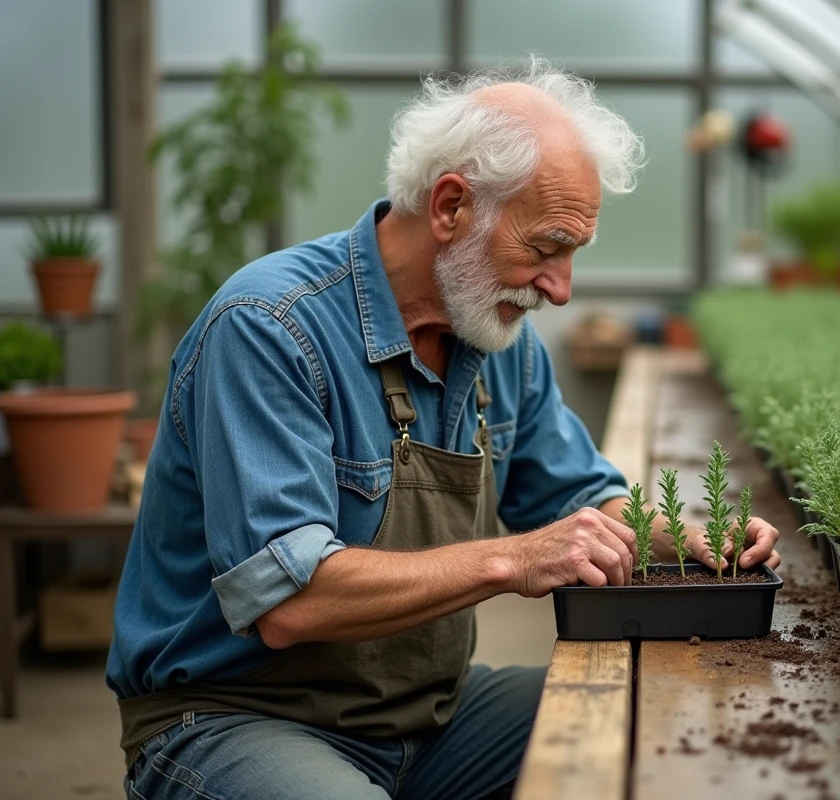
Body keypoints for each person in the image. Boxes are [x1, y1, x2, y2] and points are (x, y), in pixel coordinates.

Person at [107, 60, 782, 800]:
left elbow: (573, 495)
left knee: (654, 722)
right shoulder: (270, 329)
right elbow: (289, 600)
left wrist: (678, 539)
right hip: (238, 718)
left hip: (432, 719)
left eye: (572, 256)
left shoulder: (498, 339)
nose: (559, 290)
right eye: (546, 247)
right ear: (451, 207)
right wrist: (511, 561)